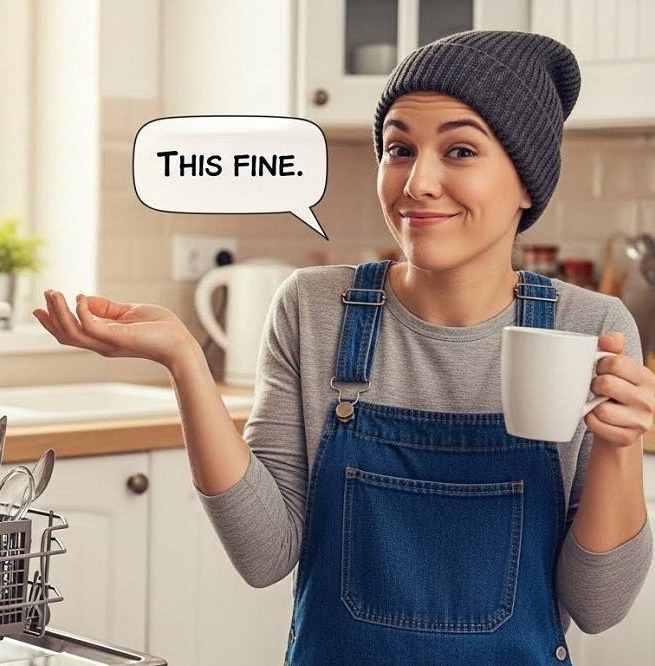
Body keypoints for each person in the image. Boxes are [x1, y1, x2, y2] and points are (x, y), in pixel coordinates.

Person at [33, 30, 654, 665]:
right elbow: (264, 555)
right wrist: (184, 359)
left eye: (461, 150)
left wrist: (618, 444)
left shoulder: (592, 327)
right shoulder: (313, 309)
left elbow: (598, 608)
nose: (418, 182)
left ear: (527, 183)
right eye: (399, 148)